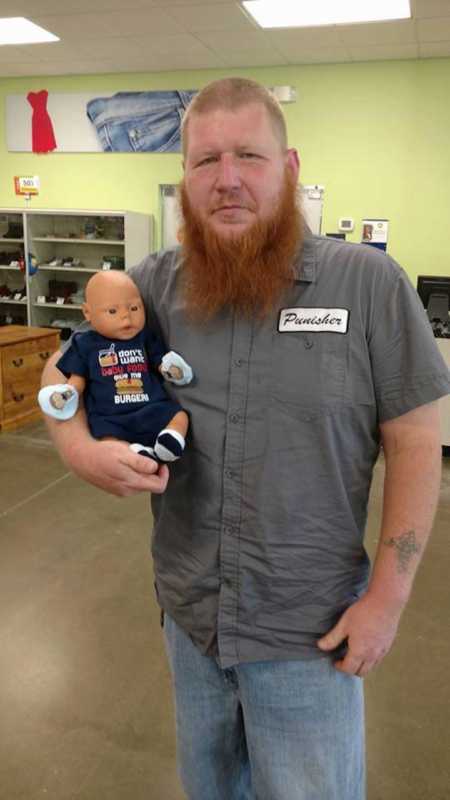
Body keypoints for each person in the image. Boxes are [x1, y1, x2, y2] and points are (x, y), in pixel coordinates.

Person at [41, 78, 450, 800]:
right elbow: (61, 364)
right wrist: (76, 447)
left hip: (310, 632)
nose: (227, 179)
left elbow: (418, 441)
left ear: (289, 169)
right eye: (205, 162)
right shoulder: (152, 289)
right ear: (184, 179)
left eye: (249, 156)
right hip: (192, 617)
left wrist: (386, 600)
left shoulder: (368, 285)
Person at [38, 270, 192, 462]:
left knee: (179, 416)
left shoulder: (145, 337)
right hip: (109, 416)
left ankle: (169, 439)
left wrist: (171, 369)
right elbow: (77, 380)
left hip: (151, 406)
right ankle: (133, 453)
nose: (126, 318)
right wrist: (68, 393)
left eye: (134, 309)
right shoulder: (84, 344)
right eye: (112, 311)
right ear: (88, 313)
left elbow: (161, 362)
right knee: (108, 439)